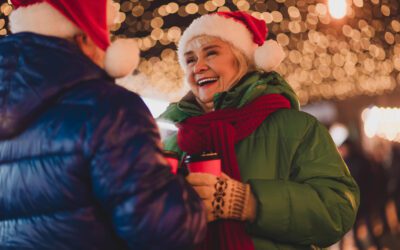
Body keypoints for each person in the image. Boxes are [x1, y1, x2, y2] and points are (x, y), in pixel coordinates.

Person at [0, 0, 206, 249]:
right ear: (84, 38)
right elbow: (166, 232)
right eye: (104, 36)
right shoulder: (109, 108)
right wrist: (188, 196)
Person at [159, 11, 360, 250]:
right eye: (190, 60)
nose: (199, 67)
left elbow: (338, 209)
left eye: (211, 53)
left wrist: (248, 202)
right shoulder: (174, 144)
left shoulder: (297, 128)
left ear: (241, 58)